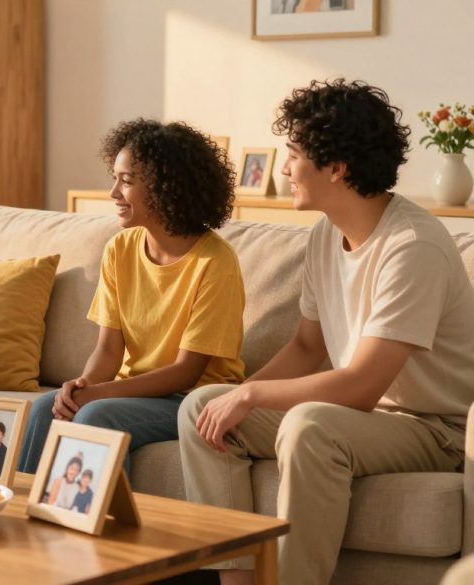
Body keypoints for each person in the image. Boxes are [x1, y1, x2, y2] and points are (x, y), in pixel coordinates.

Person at [177, 79, 474, 585]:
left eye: (293, 154)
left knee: (309, 425)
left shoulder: (412, 245)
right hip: (363, 418)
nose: (286, 168)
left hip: (433, 428)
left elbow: (361, 385)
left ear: (337, 167)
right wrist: (235, 397)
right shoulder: (323, 236)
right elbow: (307, 347)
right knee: (202, 408)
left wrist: (251, 394)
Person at [17, 118, 246, 476]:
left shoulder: (215, 262)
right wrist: (84, 386)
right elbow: (109, 350)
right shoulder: (120, 249)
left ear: (165, 187)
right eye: (115, 177)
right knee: (44, 408)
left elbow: (186, 372)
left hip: (192, 401)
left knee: (96, 415)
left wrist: (98, 396)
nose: (113, 193)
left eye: (126, 181)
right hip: (133, 392)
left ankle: (96, 527)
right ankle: (19, 520)